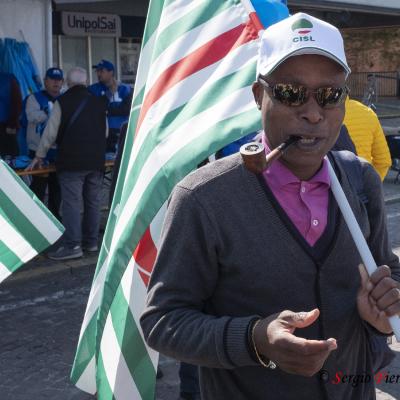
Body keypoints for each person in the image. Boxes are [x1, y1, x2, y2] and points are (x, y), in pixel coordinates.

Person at [140, 13, 400, 400]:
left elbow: (385, 268)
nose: (313, 114)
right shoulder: (203, 197)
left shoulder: (359, 180)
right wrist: (255, 339)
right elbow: (163, 322)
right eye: (292, 93)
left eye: (329, 95)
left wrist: (383, 310)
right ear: (259, 96)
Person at [28, 67, 108, 260]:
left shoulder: (62, 102)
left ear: (68, 83)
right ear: (86, 82)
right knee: (93, 202)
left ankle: (73, 246)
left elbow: (50, 133)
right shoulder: (99, 102)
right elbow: (105, 132)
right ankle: (91, 242)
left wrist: (39, 155)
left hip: (71, 161)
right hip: (96, 160)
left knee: (72, 204)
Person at [24, 67, 64, 219]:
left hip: (58, 151)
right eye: (52, 79)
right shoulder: (34, 98)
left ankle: (54, 220)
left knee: (57, 188)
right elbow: (31, 116)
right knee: (39, 187)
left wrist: (54, 113)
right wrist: (50, 113)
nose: (55, 82)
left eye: (58, 79)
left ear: (62, 82)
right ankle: (35, 220)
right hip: (38, 151)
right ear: (46, 81)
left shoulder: (64, 98)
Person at [89, 59, 132, 153]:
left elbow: (128, 109)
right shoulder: (92, 89)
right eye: (97, 71)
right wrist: (108, 95)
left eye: (102, 71)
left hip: (122, 131)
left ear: (111, 72)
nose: (98, 74)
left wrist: (106, 111)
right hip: (101, 133)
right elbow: (94, 109)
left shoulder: (126, 88)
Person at [343, 97, 391, 181]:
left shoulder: (317, 114)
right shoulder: (367, 113)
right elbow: (384, 161)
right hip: (362, 185)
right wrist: (371, 186)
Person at [0, 72, 22, 158]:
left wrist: (12, 124)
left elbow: (17, 103)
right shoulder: (9, 79)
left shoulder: (8, 79)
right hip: (6, 126)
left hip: (5, 127)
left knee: (10, 160)